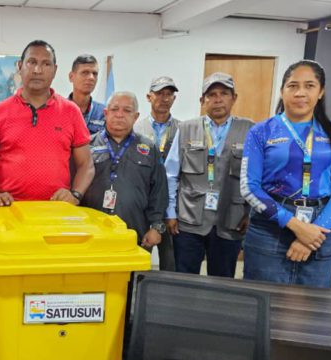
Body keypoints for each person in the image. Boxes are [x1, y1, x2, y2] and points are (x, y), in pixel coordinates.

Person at [241, 60, 331, 288]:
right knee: (264, 305)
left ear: (321, 91)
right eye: (292, 85)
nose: (300, 92)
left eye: (309, 85)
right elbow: (248, 187)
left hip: (320, 229)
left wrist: (313, 232)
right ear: (282, 91)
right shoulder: (261, 131)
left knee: (311, 312)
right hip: (270, 228)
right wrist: (295, 225)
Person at [0, 40, 94, 206]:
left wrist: (75, 194)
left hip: (56, 211)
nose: (38, 70)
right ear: (20, 66)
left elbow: (86, 164)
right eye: (32, 62)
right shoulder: (0, 111)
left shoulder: (71, 111)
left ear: (55, 70)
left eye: (46, 64)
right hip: (11, 211)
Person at [164, 72, 253, 277]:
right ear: (202, 100)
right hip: (189, 221)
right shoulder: (186, 129)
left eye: (224, 93)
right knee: (184, 279)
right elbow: (171, 175)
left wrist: (250, 214)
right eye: (211, 94)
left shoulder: (250, 130)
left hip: (231, 220)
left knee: (222, 281)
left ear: (234, 98)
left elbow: (256, 178)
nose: (218, 99)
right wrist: (170, 213)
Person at [81, 91, 168, 249]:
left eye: (127, 110)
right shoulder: (87, 146)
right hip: (91, 233)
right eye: (114, 110)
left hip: (134, 233)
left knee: (132, 274)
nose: (120, 115)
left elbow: (159, 191)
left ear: (136, 116)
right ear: (105, 114)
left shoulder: (149, 148)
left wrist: (156, 227)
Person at [134, 76, 181, 271]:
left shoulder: (183, 129)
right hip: (143, 204)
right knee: (139, 260)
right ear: (148, 97)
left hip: (170, 206)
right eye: (159, 93)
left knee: (171, 263)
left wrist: (172, 211)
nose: (164, 98)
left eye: (169, 94)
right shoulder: (136, 128)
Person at [67, 54, 106, 134]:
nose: (91, 77)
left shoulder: (104, 113)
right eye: (85, 73)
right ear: (71, 77)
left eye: (94, 74)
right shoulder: (58, 110)